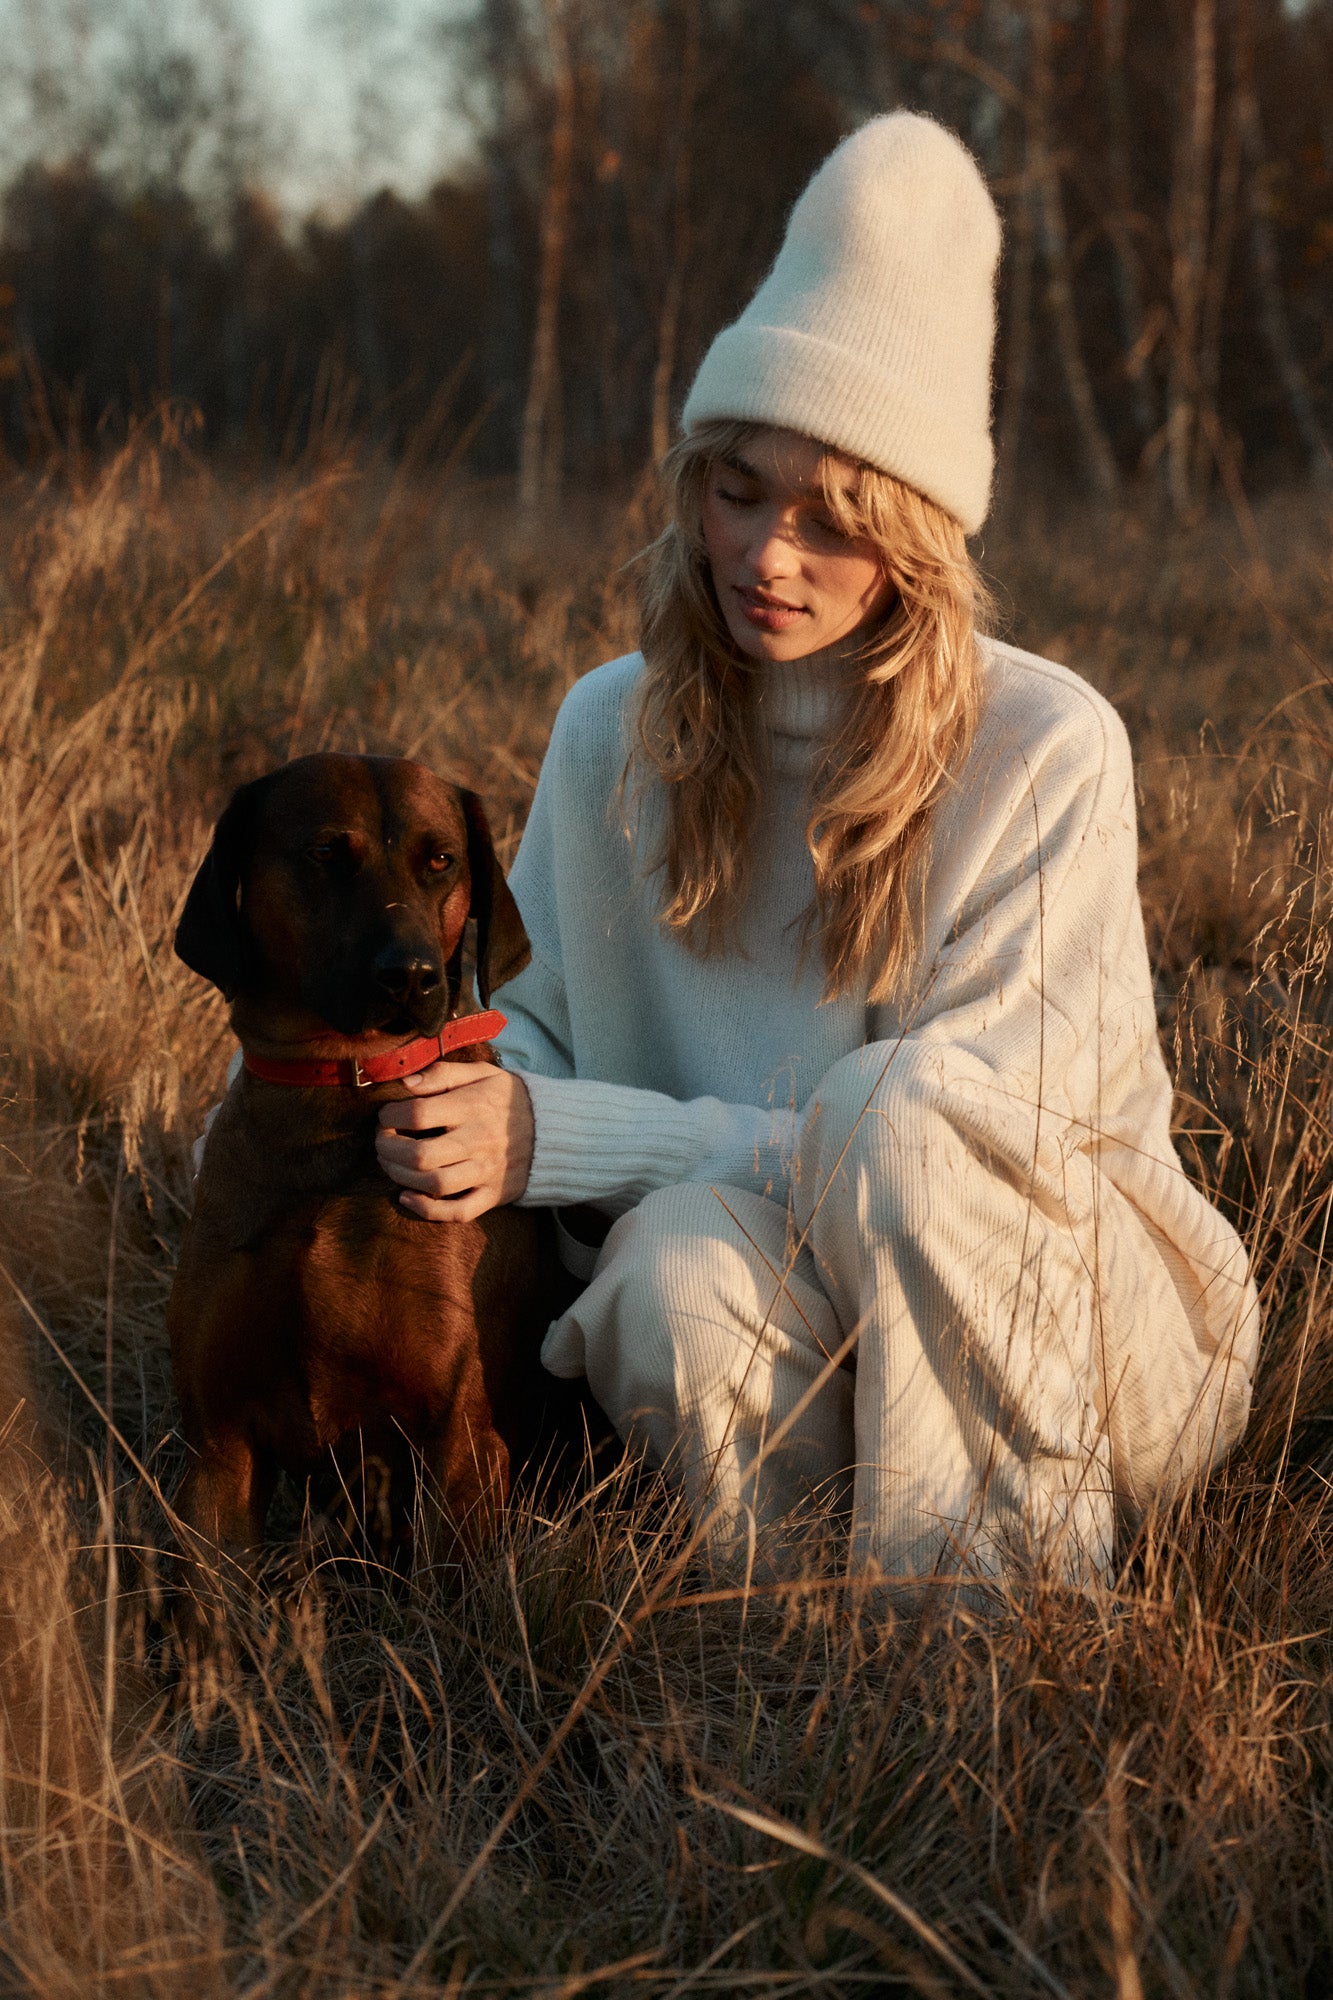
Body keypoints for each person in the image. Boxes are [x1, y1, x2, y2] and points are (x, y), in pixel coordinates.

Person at [374, 112, 1260, 1589]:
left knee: (895, 1116)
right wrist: (377, 1088)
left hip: (1091, 1345)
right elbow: (514, 1029)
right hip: (806, 1325)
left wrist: (597, 1141)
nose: (764, 553)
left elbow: (969, 1170)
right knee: (664, 1277)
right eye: (737, 489)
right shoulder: (611, 729)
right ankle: (817, 1666)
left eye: (830, 514)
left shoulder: (1047, 747)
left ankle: (1003, 1660)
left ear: (913, 536)